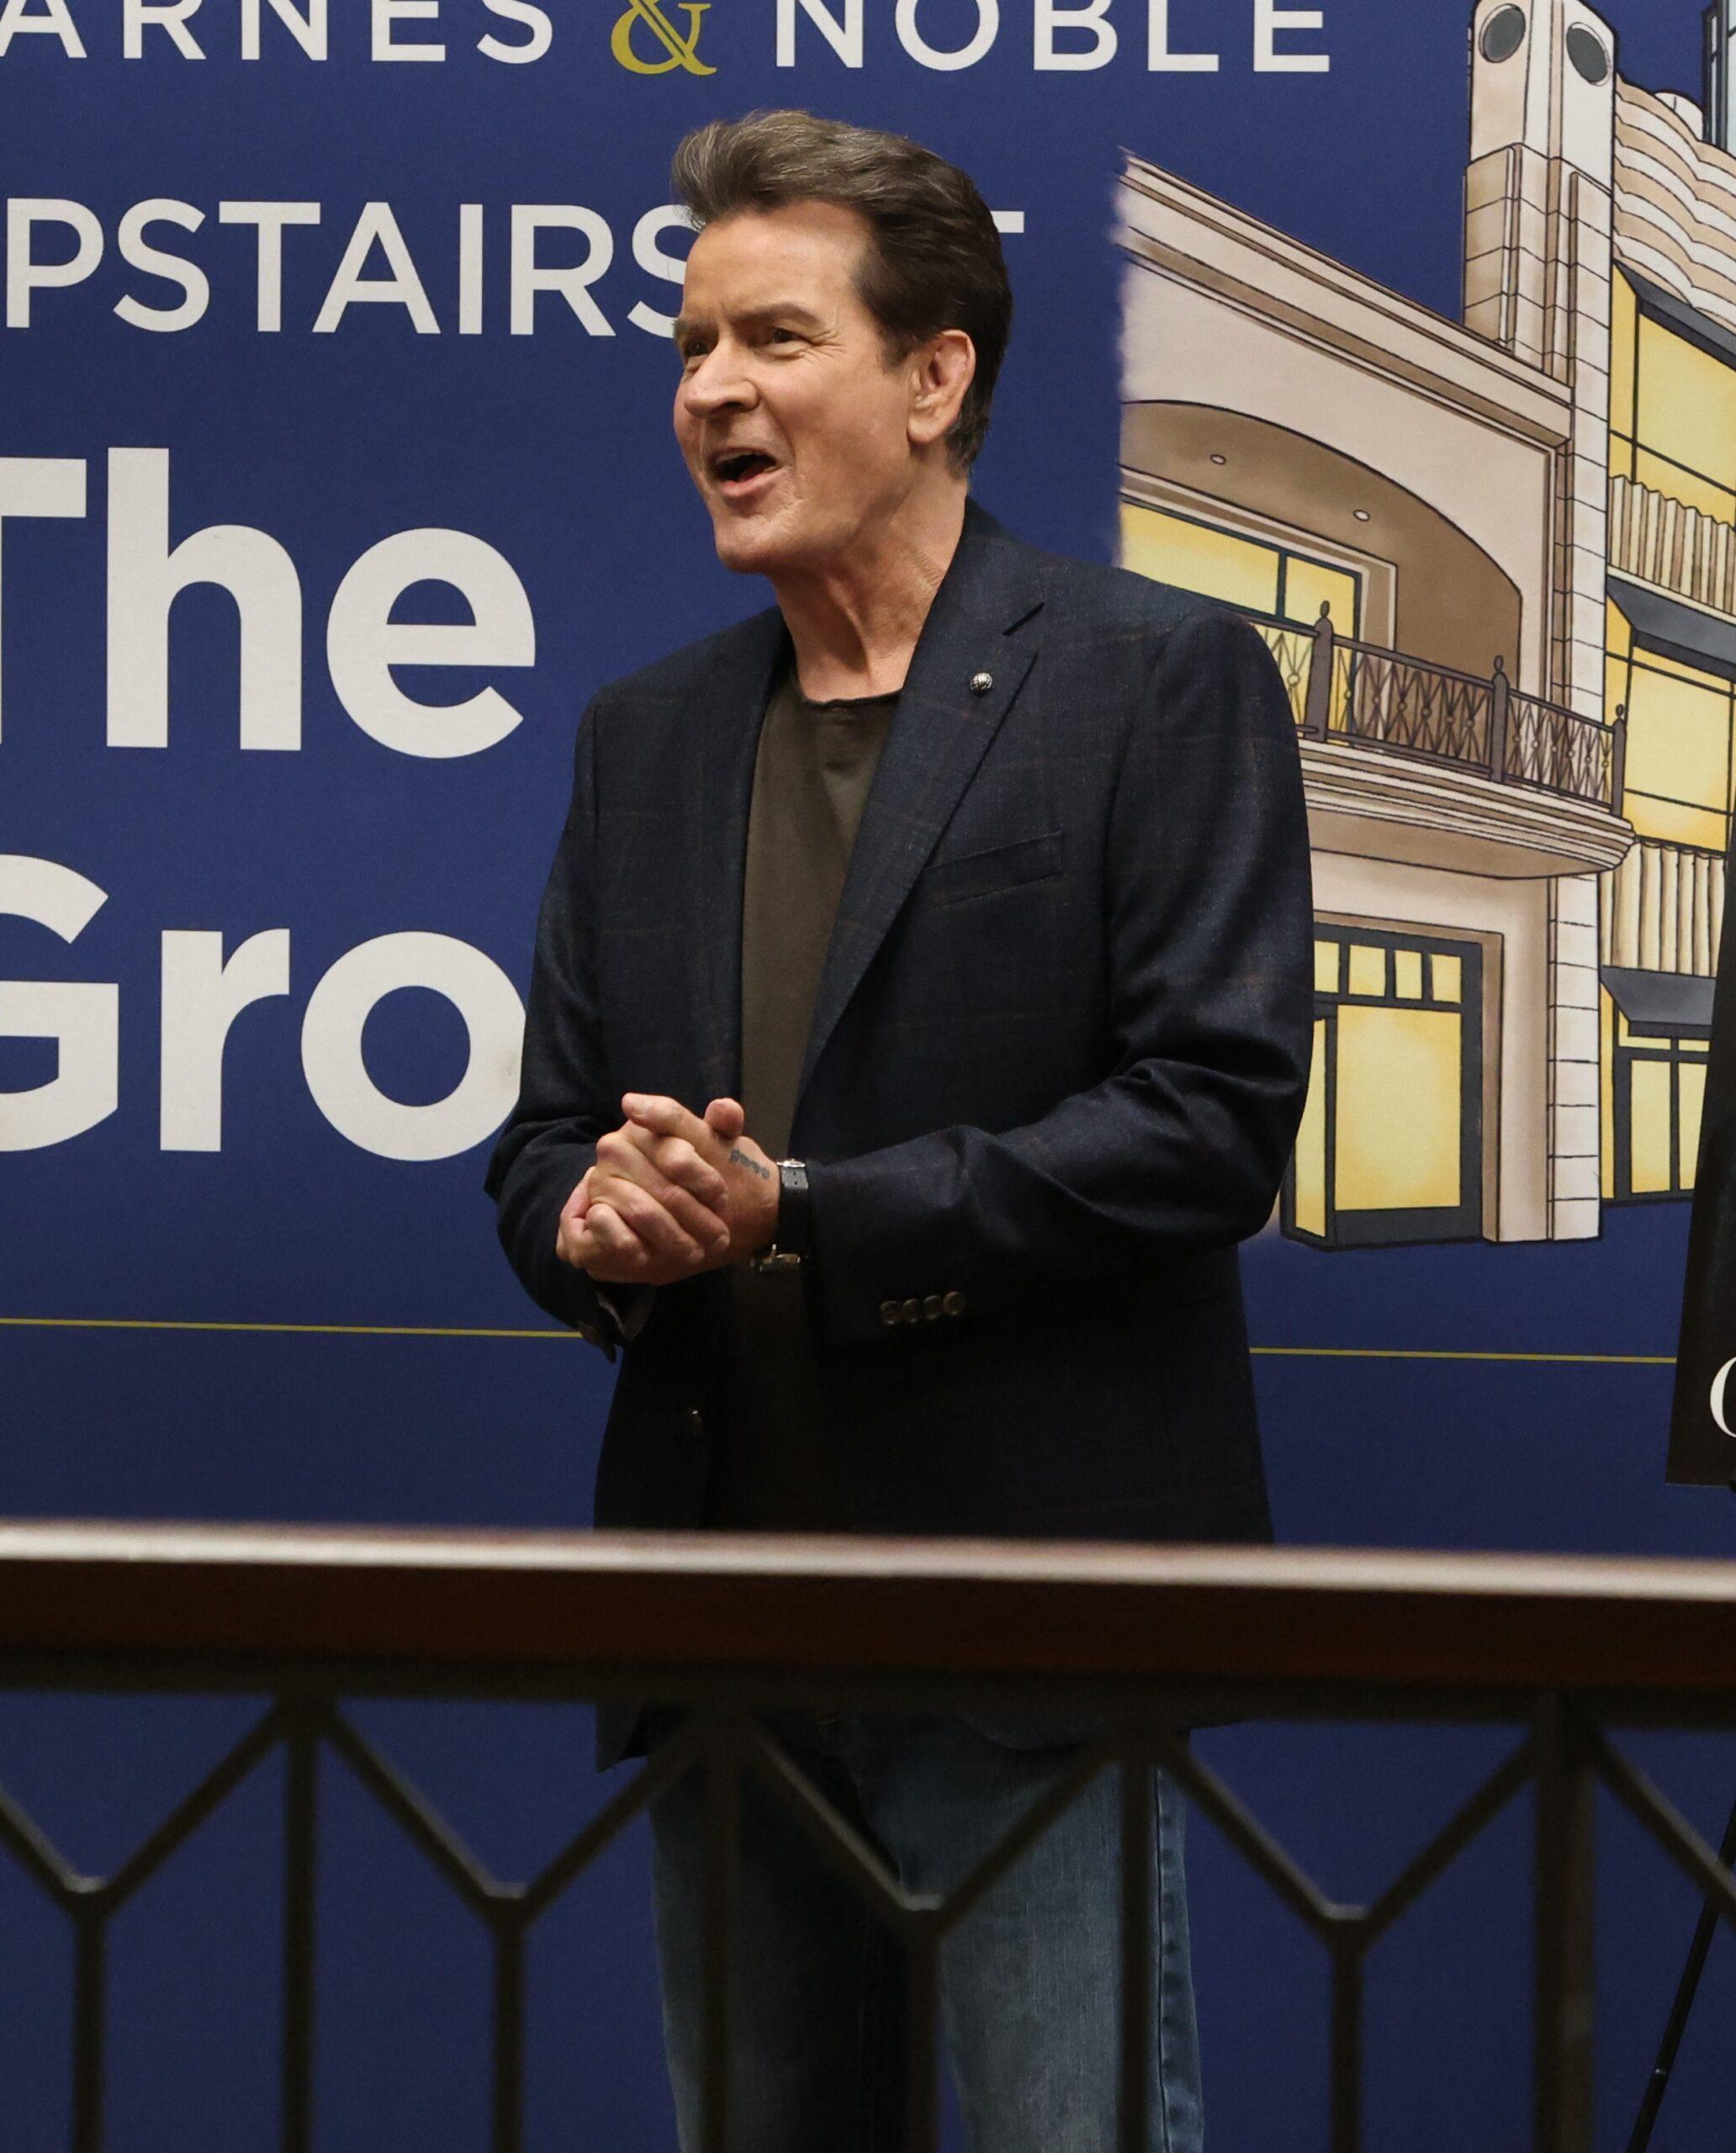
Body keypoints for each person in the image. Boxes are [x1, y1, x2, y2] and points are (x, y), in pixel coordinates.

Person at [484, 106, 1313, 2153]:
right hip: (724, 1632)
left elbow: (1207, 1124)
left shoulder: (1155, 681)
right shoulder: (645, 735)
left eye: (771, 338)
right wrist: (599, 1218)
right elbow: (540, 1144)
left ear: (936, 375)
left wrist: (799, 1216)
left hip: (1023, 1623)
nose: (707, 392)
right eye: (688, 347)